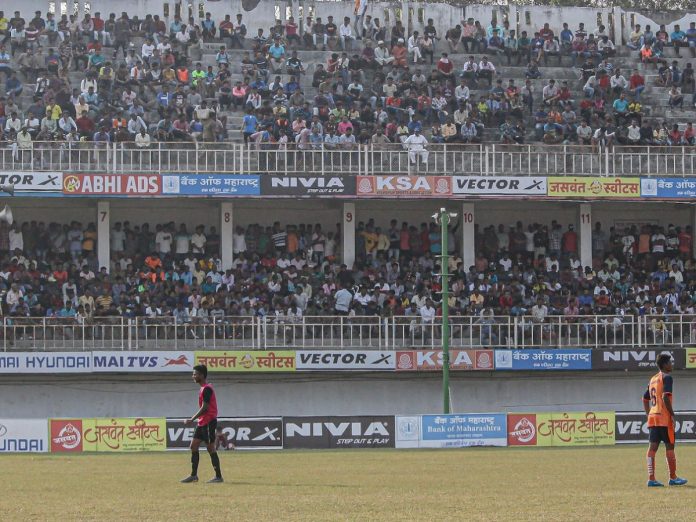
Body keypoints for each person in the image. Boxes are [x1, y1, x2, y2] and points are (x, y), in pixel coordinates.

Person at [642, 354, 687, 487]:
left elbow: (645, 399)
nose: (671, 365)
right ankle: (673, 478)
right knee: (670, 446)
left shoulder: (653, 379)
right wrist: (672, 415)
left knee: (652, 448)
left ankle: (651, 478)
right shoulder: (667, 378)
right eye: (670, 363)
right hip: (664, 418)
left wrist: (648, 414)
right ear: (665, 364)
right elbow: (665, 397)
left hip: (653, 417)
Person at [180, 364, 224, 484]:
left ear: (202, 375)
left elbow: (205, 408)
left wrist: (191, 419)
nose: (193, 376)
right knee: (193, 446)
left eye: (195, 374)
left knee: (210, 448)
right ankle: (194, 475)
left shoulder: (207, 389)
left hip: (209, 421)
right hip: (202, 422)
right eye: (193, 374)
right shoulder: (203, 388)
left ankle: (218, 476)